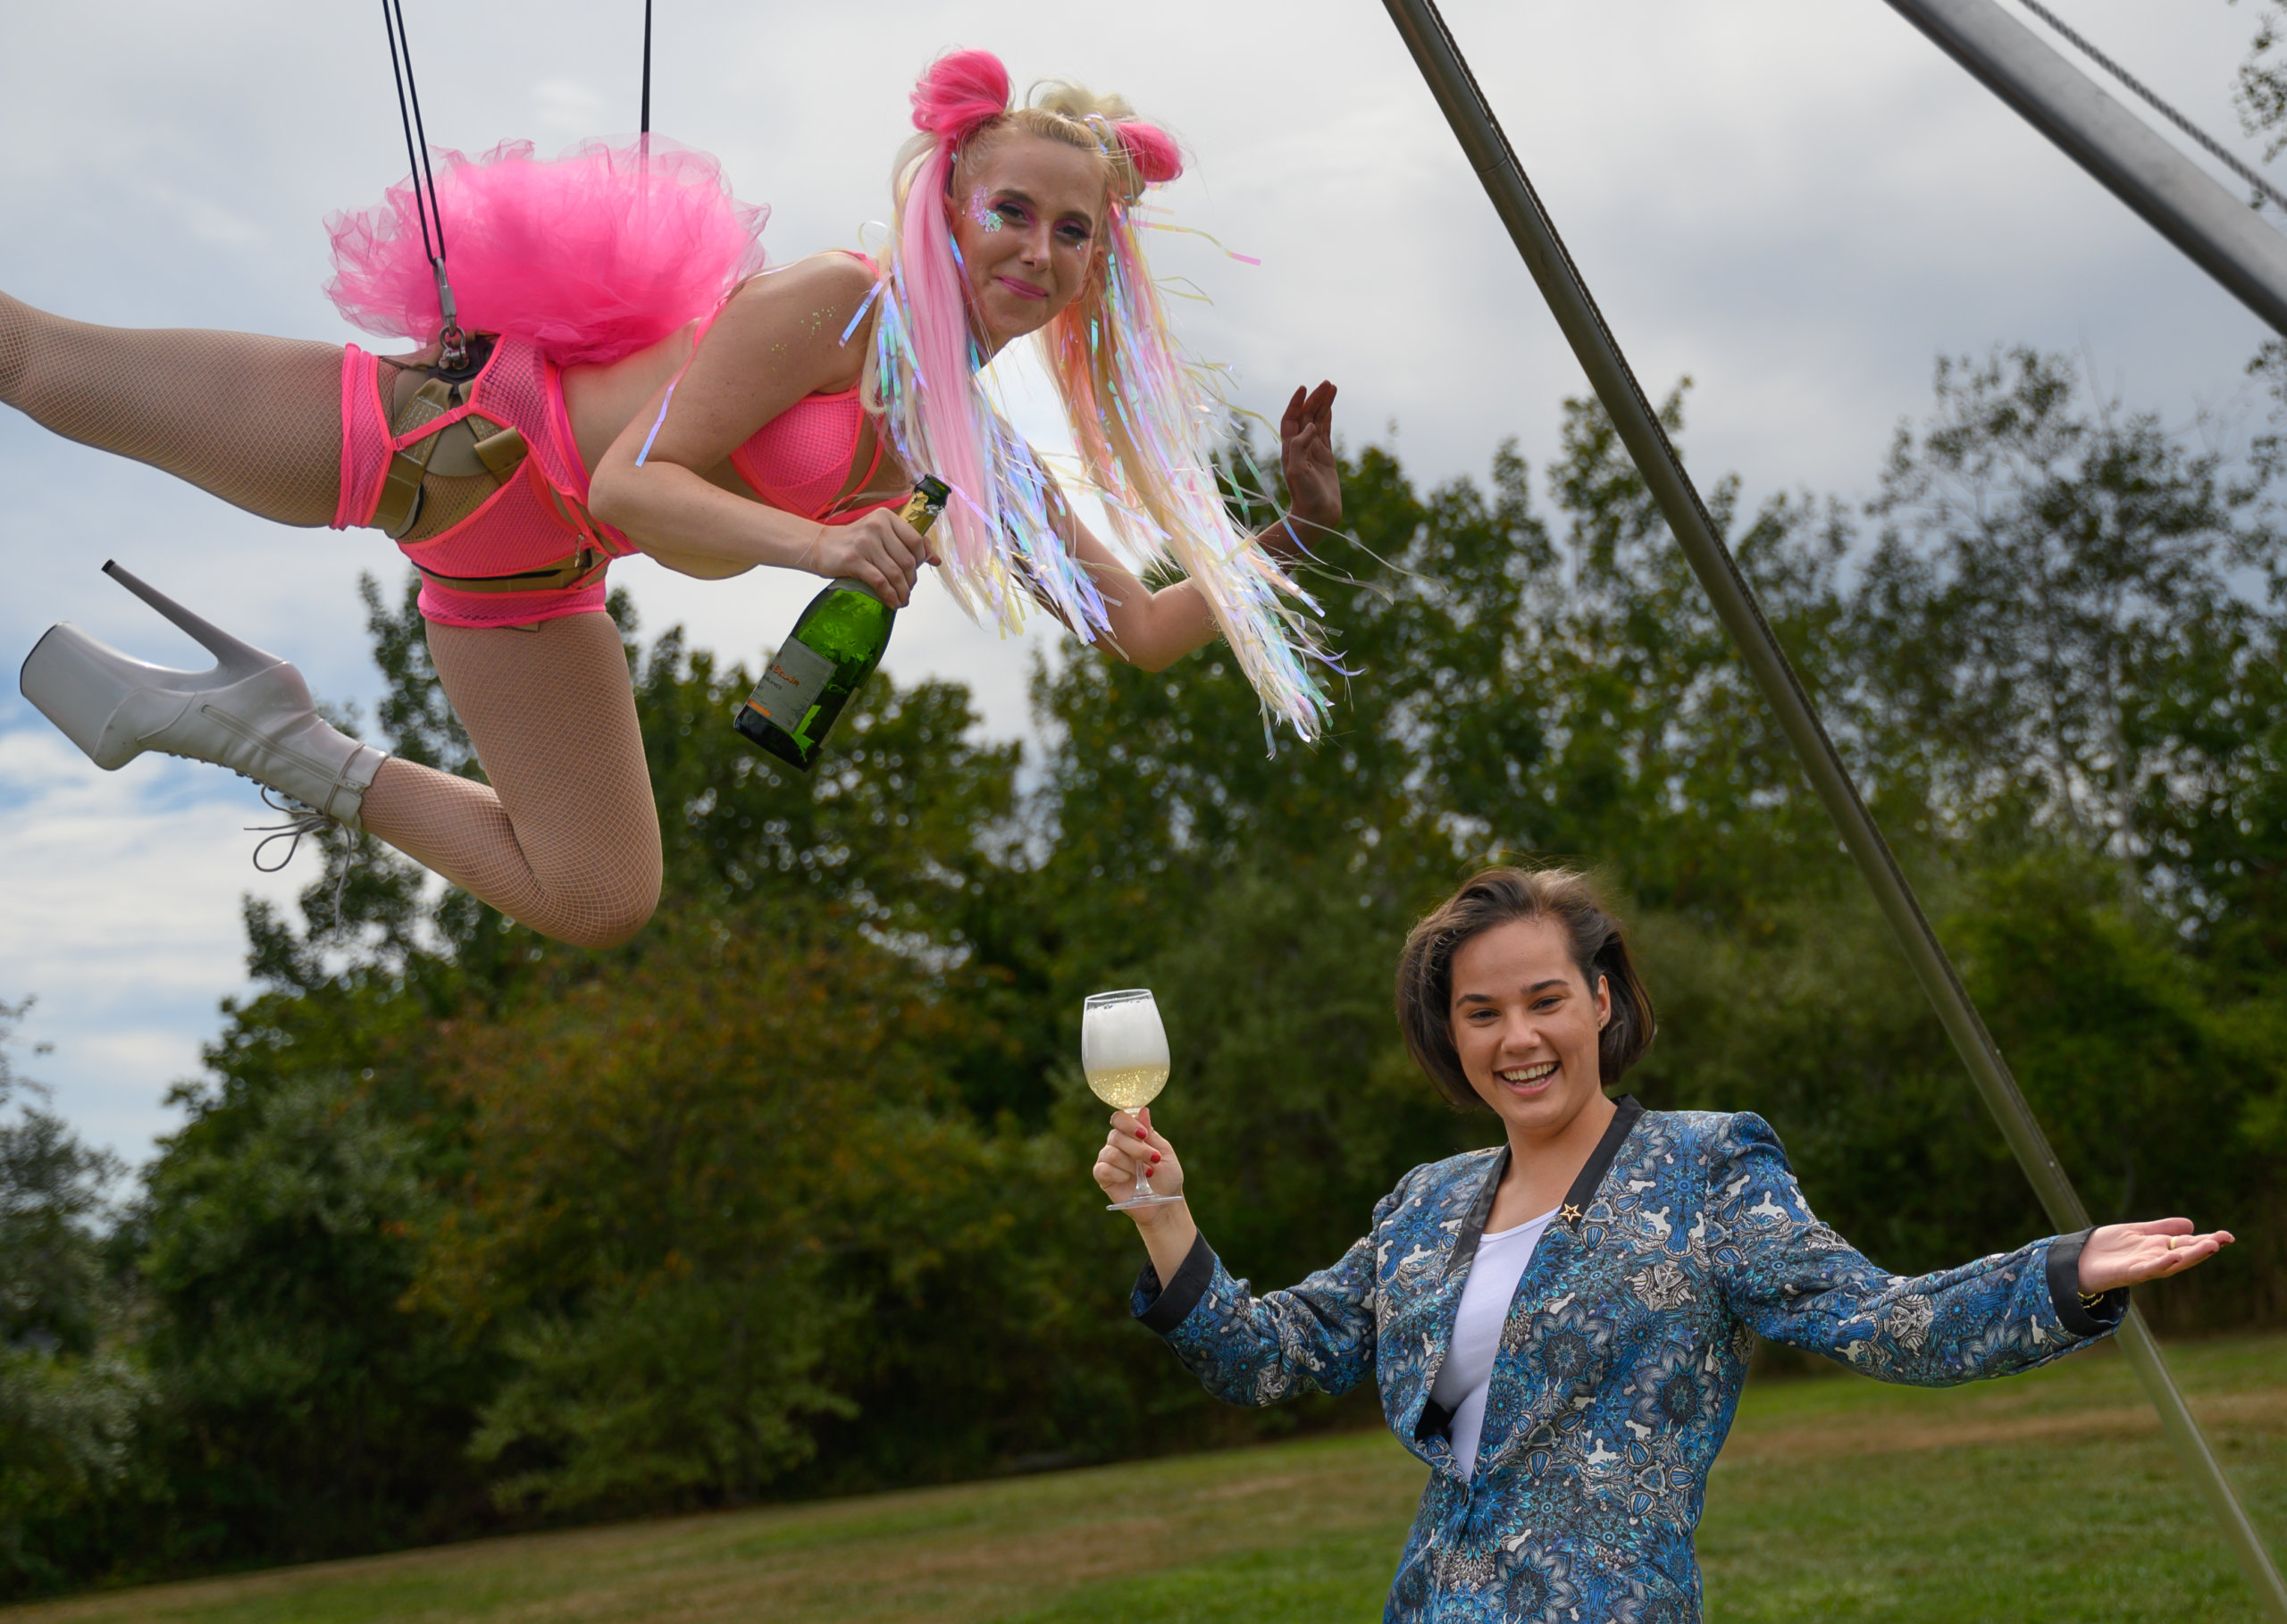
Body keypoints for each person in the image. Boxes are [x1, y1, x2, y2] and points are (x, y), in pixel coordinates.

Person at [5, 49, 1339, 950]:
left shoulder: (974, 446)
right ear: (950, 203)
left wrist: (1288, 533)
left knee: (597, 895)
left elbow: (1145, 630)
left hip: (522, 584)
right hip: (423, 435)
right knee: (34, 362)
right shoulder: (838, 300)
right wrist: (822, 539)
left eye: (1074, 231)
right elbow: (634, 480)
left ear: (1102, 263)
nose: (1036, 251)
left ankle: (264, 737)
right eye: (1012, 210)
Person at [1094, 866, 2234, 1622]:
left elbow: (1886, 1323)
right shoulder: (1423, 1205)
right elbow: (1265, 1359)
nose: (1517, 1037)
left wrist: (2064, 1273)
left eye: (1544, 1000)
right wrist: (1164, 1215)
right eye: (1480, 1012)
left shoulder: (1704, 1168)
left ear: (1599, 1001)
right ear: (1449, 1032)